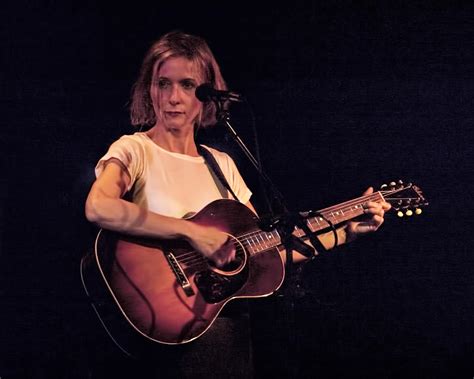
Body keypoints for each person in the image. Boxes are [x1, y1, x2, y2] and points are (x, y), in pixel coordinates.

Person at [84, 30, 391, 378]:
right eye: (163, 83)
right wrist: (193, 233)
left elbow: (266, 253)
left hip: (227, 336)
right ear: (148, 88)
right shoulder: (135, 149)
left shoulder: (221, 164)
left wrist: (346, 233)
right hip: (167, 339)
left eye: (187, 85)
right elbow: (99, 207)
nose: (173, 97)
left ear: (207, 95)